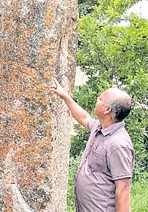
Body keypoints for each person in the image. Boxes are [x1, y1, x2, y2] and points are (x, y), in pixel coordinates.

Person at [49, 83, 135, 212]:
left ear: (107, 110)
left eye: (100, 99)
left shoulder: (118, 144)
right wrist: (64, 96)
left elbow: (123, 189)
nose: (97, 98)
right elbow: (84, 118)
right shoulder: (99, 127)